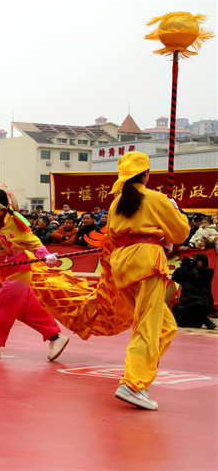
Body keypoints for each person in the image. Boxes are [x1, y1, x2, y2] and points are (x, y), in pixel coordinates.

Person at [106, 151, 189, 410]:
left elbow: (111, 235)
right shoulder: (156, 198)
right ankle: (133, 383)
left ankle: (140, 373)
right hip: (146, 261)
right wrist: (175, 210)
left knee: (165, 327)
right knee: (147, 326)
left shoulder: (116, 203)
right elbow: (180, 232)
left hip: (122, 264)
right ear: (146, 174)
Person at [0, 188, 69, 361]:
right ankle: (55, 337)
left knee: (1, 307)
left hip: (20, 270)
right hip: (5, 270)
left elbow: (32, 241)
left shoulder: (16, 223)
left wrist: (44, 255)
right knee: (27, 311)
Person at [172, 253, 215, 329]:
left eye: (197, 260)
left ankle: (206, 320)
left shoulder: (208, 271)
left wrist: (191, 267)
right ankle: (202, 319)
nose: (195, 262)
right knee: (181, 322)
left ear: (203, 262)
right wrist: (182, 267)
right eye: (194, 259)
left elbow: (196, 279)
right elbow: (176, 278)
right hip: (188, 302)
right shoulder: (189, 271)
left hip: (202, 301)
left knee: (196, 306)